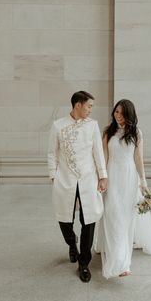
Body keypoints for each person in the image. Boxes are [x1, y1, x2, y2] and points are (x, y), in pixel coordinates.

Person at [98, 99, 151, 279]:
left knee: (126, 217)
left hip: (129, 177)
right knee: (112, 215)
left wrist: (143, 181)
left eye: (121, 112)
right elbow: (103, 157)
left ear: (129, 114)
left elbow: (138, 158)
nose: (117, 115)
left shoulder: (136, 132)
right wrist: (101, 178)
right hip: (112, 176)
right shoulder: (108, 131)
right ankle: (113, 252)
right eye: (115, 112)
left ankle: (123, 263)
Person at [48, 91, 107, 283]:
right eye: (89, 106)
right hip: (64, 179)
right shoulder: (58, 125)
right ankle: (72, 243)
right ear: (78, 105)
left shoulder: (92, 126)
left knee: (88, 220)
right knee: (64, 219)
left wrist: (102, 176)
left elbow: (98, 151)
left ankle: (84, 263)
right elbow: (51, 153)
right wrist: (53, 176)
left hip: (89, 179)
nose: (91, 110)